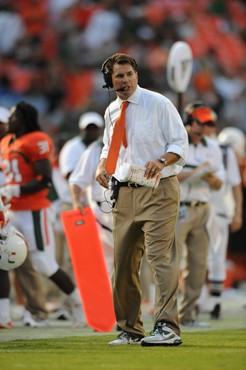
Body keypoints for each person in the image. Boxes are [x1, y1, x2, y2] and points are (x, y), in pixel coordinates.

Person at [96, 53, 189, 346]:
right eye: (118, 76)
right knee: (122, 263)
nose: (124, 80)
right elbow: (109, 146)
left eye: (129, 74)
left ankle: (167, 327)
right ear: (109, 81)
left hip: (158, 189)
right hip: (123, 192)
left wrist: (161, 160)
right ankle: (130, 330)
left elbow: (179, 142)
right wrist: (102, 166)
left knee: (159, 257)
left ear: (137, 75)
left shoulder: (158, 103)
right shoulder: (111, 111)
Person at [0, 101, 86, 328]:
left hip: (34, 210)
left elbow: (44, 180)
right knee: (3, 259)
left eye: (14, 117)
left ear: (25, 119)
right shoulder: (7, 142)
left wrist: (15, 189)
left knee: (44, 264)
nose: (10, 121)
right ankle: (3, 316)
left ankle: (80, 305)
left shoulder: (36, 140)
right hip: (13, 210)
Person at [176, 102, 225, 327]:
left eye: (208, 123)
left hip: (202, 207)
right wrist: (195, 172)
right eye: (201, 122)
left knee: (197, 264)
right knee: (170, 262)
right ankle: (165, 316)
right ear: (189, 122)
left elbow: (218, 183)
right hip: (177, 207)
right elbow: (168, 175)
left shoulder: (213, 147)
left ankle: (187, 316)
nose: (205, 127)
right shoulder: (176, 142)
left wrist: (206, 176)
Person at [199, 121, 243, 319]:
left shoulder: (221, 151)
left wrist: (237, 212)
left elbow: (233, 184)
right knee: (201, 257)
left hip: (213, 209)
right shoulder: (220, 151)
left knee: (210, 257)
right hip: (202, 208)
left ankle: (210, 301)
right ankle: (204, 300)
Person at [69, 138, 114, 276]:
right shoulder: (95, 149)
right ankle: (103, 297)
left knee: (130, 263)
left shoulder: (135, 144)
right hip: (102, 213)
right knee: (104, 262)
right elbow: (76, 180)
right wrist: (77, 202)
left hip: (130, 210)